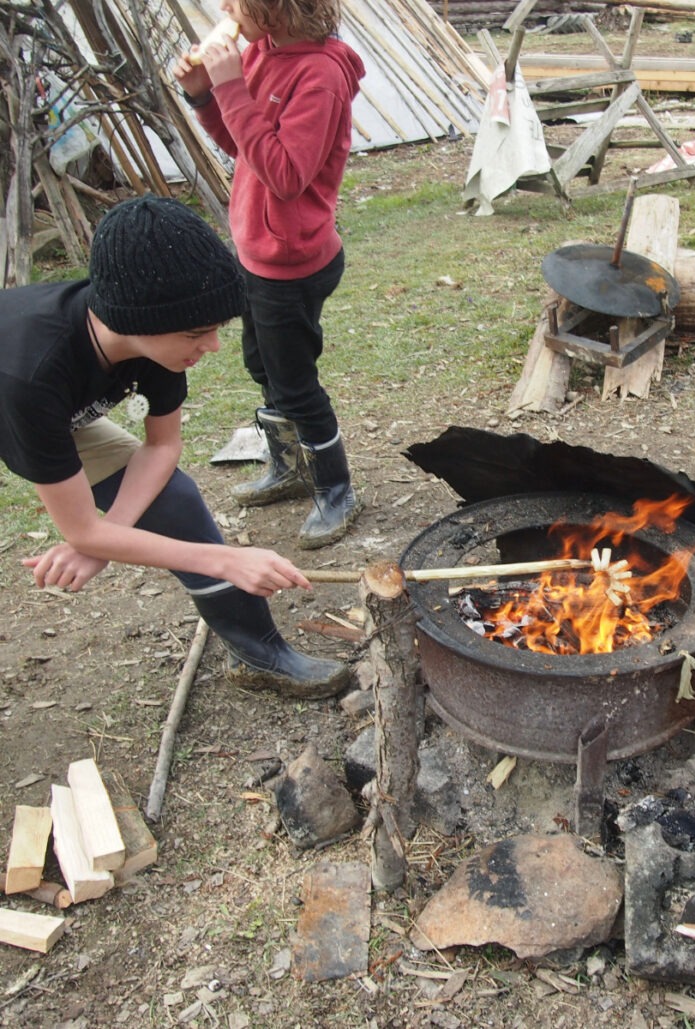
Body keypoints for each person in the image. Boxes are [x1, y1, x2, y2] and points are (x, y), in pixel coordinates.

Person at [0, 194, 350, 700]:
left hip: (54, 412)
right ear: (136, 322)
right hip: (21, 398)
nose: (213, 346)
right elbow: (81, 528)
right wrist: (224, 560)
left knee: (176, 503)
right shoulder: (30, 374)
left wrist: (103, 540)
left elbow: (161, 448)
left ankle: (259, 655)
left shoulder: (153, 343)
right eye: (197, 333)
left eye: (217, 329)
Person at [173, 0, 366, 550]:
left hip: (293, 262)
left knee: (295, 384)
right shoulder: (261, 51)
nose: (225, 9)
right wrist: (205, 96)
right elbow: (245, 148)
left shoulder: (320, 76)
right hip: (255, 252)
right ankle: (290, 468)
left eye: (237, 0)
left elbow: (284, 176)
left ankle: (336, 489)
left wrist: (230, 86)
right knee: (262, 366)